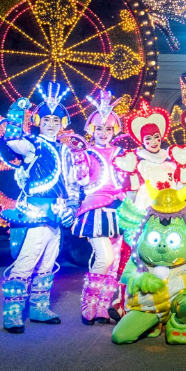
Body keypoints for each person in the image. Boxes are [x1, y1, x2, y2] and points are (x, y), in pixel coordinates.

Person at [0, 82, 78, 334]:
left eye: (56, 120)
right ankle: (12, 313)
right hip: (35, 212)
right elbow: (11, 139)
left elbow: (71, 181)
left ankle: (39, 308)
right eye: (46, 120)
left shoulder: (65, 150)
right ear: (38, 122)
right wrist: (16, 112)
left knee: (48, 262)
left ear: (62, 123)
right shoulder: (32, 144)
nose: (51, 124)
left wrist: (72, 206)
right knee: (27, 261)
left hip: (57, 212)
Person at [70, 90, 127, 325]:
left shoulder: (121, 153)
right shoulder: (86, 153)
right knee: (104, 257)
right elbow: (82, 181)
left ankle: (103, 305)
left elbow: (127, 180)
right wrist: (78, 159)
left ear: (115, 131)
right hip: (95, 209)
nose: (104, 133)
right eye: (100, 129)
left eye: (108, 129)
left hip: (119, 210)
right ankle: (88, 302)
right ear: (92, 130)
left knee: (115, 261)